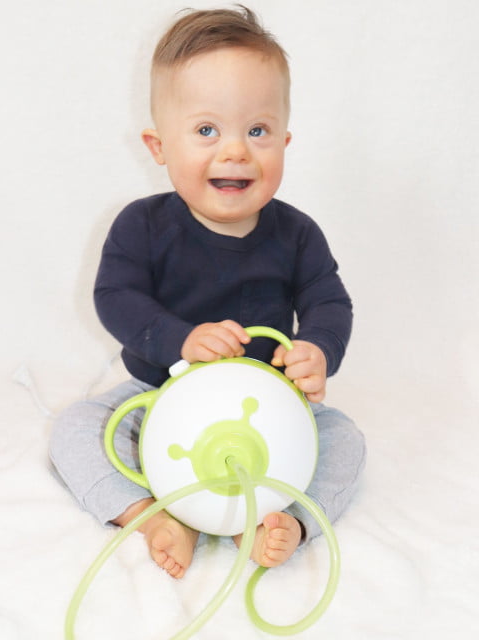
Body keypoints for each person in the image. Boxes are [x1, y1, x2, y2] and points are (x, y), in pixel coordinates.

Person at [50, 6, 366, 580]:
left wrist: (318, 349)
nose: (235, 151)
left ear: (285, 141)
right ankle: (151, 515)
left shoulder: (297, 234)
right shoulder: (140, 226)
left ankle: (285, 520)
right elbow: (115, 295)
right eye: (205, 130)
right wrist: (180, 339)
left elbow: (329, 301)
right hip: (158, 398)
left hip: (269, 409)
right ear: (158, 145)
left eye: (257, 130)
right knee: (76, 428)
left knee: (344, 440)